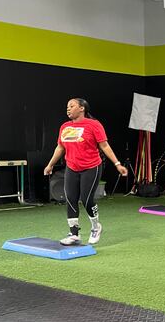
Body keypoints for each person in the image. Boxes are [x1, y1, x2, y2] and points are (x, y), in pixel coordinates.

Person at [44, 98, 128, 245]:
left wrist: (117, 164)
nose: (68, 109)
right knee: (70, 199)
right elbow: (60, 147)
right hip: (72, 168)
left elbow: (105, 146)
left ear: (82, 108)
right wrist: (50, 164)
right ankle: (74, 233)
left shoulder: (93, 125)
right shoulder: (65, 126)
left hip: (91, 167)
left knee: (87, 200)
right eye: (67, 107)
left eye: (72, 106)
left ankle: (96, 227)